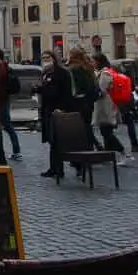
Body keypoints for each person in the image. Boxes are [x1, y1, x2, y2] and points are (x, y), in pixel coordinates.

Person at [34, 50, 75, 178]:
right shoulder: (46, 73)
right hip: (47, 109)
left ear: (54, 59)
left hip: (58, 110)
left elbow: (63, 92)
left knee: (58, 140)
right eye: (43, 57)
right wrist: (38, 89)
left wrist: (63, 108)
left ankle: (61, 168)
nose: (45, 59)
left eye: (48, 57)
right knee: (52, 141)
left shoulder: (62, 73)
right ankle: (54, 167)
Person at [92, 53, 132, 165]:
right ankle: (108, 155)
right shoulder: (104, 72)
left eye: (94, 61)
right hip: (104, 106)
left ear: (99, 62)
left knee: (106, 132)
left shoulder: (105, 73)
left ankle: (123, 152)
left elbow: (101, 91)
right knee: (105, 131)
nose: (92, 63)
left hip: (106, 106)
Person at [66, 48, 102, 151]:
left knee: (78, 128)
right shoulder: (88, 67)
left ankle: (83, 150)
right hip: (89, 102)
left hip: (78, 102)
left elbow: (76, 87)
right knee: (87, 125)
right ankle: (91, 147)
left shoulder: (73, 69)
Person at [0, 50, 22, 160]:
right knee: (4, 126)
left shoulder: (1, 68)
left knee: (2, 126)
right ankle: (14, 151)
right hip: (3, 98)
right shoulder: (6, 67)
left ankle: (1, 151)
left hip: (0, 99)